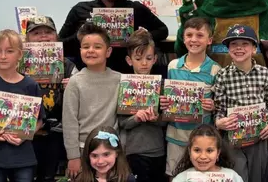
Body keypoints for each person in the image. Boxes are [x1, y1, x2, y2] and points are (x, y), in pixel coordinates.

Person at [58, 0, 169, 75]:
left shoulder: (135, 9)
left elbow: (162, 30)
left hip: (126, 76)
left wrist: (142, 36)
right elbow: (60, 46)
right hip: (89, 76)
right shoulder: (80, 9)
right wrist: (80, 35)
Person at [160, 17, 220, 179]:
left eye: (200, 35)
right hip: (175, 136)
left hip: (203, 141)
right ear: (183, 38)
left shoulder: (215, 69)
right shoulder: (172, 66)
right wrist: (164, 102)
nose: (194, 39)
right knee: (175, 176)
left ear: (209, 40)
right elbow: (166, 98)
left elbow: (219, 105)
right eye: (189, 35)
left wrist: (213, 105)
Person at [214, 25, 268, 182]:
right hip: (232, 138)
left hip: (258, 138)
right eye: (234, 44)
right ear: (228, 49)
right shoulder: (222, 75)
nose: (239, 48)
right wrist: (219, 122)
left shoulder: (265, 74)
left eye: (245, 44)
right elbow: (219, 109)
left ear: (254, 48)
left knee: (258, 176)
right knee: (236, 175)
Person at [62, 23, 121, 180]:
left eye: (97, 47)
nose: (91, 51)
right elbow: (69, 122)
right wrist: (73, 156)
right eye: (85, 46)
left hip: (112, 150)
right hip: (83, 150)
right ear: (80, 50)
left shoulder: (120, 80)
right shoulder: (75, 82)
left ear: (108, 51)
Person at [25, 16, 79, 182]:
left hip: (57, 134)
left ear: (56, 37)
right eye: (37, 33)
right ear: (27, 38)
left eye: (48, 32)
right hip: (26, 134)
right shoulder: (17, 64)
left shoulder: (68, 65)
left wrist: (75, 86)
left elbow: (82, 100)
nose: (43, 36)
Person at [0, 29, 45, 181]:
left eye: (9, 51)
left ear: (20, 55)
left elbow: (40, 119)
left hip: (22, 157)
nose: (2, 56)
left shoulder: (30, 85)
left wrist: (25, 134)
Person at [119, 29, 166, 182]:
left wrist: (156, 118)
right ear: (129, 60)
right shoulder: (124, 86)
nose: (144, 63)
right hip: (134, 152)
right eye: (138, 58)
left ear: (155, 59)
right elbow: (122, 122)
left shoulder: (162, 86)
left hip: (158, 150)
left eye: (149, 58)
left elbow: (166, 121)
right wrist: (136, 118)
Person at [171, 124, 243, 182]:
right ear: (190, 152)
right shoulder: (181, 179)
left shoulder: (232, 177)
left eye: (209, 151)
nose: (203, 156)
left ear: (218, 153)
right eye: (197, 150)